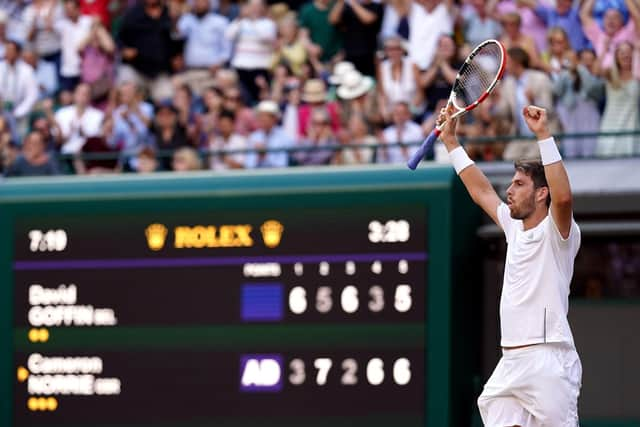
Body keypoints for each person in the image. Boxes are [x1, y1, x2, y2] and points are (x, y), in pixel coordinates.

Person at [435, 103, 581, 427]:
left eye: (519, 184)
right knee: (494, 407)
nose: (509, 190)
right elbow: (481, 190)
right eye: (511, 183)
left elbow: (565, 199)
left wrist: (543, 134)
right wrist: (451, 143)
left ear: (542, 193)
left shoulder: (558, 233)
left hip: (548, 360)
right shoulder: (514, 227)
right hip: (511, 361)